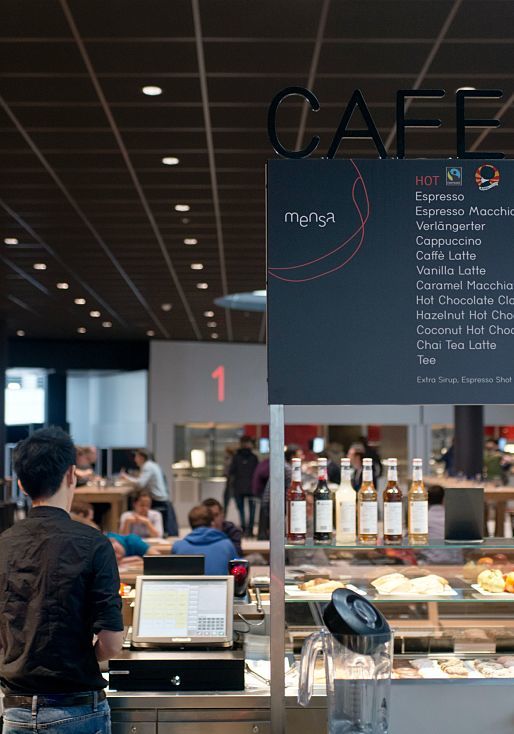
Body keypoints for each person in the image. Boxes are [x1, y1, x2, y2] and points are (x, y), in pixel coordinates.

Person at [0, 426, 123, 734]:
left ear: (21, 484)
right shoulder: (95, 544)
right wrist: (82, 657)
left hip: (15, 710)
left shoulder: (3, 544)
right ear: (72, 475)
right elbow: (111, 644)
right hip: (79, 709)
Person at [121, 449, 178, 536]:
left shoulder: (147, 467)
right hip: (163, 498)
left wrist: (126, 478)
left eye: (136, 457)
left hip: (157, 499)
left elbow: (140, 484)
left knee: (135, 502)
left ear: (141, 457)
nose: (135, 459)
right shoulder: (153, 465)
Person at [172, 505, 238, 575]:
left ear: (191, 525)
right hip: (219, 586)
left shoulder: (178, 547)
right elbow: (238, 572)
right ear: (212, 523)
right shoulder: (227, 545)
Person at [229, 435, 259, 536]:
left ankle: (244, 529)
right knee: (251, 510)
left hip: (239, 486)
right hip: (251, 487)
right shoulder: (253, 457)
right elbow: (257, 473)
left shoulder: (236, 457)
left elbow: (231, 471)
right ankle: (249, 530)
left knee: (241, 510)